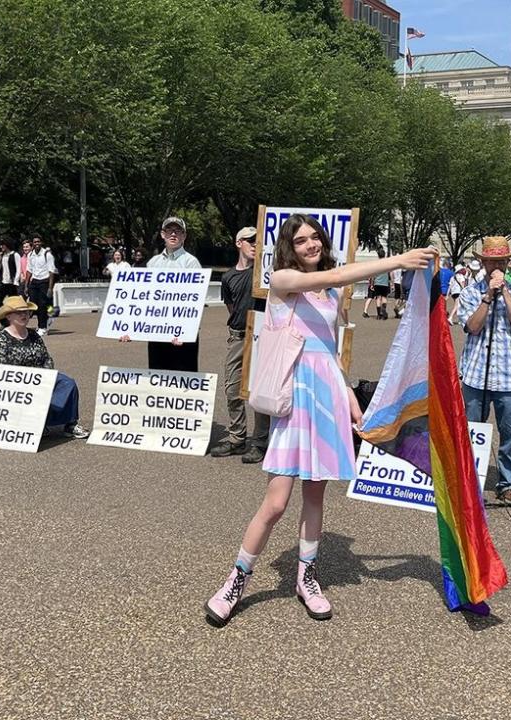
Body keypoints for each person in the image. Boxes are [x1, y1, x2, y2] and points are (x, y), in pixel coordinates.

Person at [203, 214, 436, 627]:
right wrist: (398, 260)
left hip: (326, 396)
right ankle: (236, 578)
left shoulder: (330, 296)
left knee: (315, 496)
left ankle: (306, 577)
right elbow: (340, 275)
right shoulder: (281, 280)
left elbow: (328, 352)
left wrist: (349, 398)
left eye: (315, 238)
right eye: (301, 240)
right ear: (289, 247)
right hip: (294, 400)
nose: (310, 245)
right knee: (275, 502)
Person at [457, 236, 511, 508]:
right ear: (483, 262)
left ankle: (508, 484)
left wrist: (505, 292)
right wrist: (488, 296)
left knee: (510, 434)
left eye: (501, 261)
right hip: (476, 374)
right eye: (491, 261)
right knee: (471, 431)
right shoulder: (469, 293)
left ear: (507, 263)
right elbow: (473, 327)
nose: (496, 266)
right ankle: (469, 482)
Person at [0, 296, 90, 438]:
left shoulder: (33, 334)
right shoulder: (0, 339)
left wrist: (46, 376)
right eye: (19, 312)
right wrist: (27, 379)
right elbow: (2, 368)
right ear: (9, 316)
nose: (24, 315)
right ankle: (37, 422)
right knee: (32, 391)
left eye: (26, 312)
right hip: (17, 382)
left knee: (67, 383)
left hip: (40, 376)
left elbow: (46, 358)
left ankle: (70, 424)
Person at [211, 226, 270, 464]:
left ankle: (260, 441)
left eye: (259, 241)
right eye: (250, 241)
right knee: (232, 388)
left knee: (259, 391)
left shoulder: (264, 272)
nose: (255, 244)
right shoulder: (228, 277)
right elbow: (231, 308)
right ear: (239, 243)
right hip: (238, 336)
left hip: (263, 336)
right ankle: (237, 437)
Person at [144, 217, 202, 371]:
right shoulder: (153, 263)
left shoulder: (191, 263)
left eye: (178, 231)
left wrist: (184, 330)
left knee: (183, 381)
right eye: (169, 230)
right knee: (157, 378)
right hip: (157, 332)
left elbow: (194, 301)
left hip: (182, 335)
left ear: (184, 236)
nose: (173, 234)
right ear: (163, 234)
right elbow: (143, 299)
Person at [25, 235, 56, 337]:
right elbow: (29, 270)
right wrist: (26, 285)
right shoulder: (30, 255)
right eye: (34, 242)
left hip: (44, 281)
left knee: (42, 304)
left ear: (41, 243)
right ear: (32, 244)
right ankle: (45, 321)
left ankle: (43, 327)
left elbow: (51, 271)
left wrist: (50, 288)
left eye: (38, 242)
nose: (36, 244)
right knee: (34, 305)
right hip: (34, 282)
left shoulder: (47, 254)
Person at [0, 240, 21, 324]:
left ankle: (16, 320)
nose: (1, 247)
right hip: (4, 282)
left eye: (3, 245)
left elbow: (18, 268)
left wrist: (16, 281)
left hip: (12, 283)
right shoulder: (2, 256)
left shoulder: (15, 255)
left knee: (14, 303)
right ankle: (4, 321)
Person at [362, 248, 391, 320]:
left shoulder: (376, 264)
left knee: (378, 298)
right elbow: (390, 273)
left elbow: (373, 275)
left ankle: (379, 314)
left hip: (377, 283)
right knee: (384, 297)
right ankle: (383, 309)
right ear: (384, 255)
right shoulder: (387, 264)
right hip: (385, 283)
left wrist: (371, 284)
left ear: (378, 255)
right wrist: (391, 282)